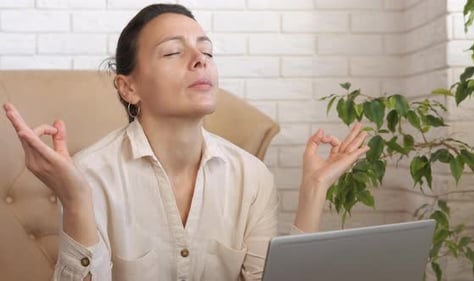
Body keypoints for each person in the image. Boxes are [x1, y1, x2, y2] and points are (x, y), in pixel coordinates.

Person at [3, 3, 369, 281]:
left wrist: (314, 189)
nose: (200, 61)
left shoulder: (252, 177)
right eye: (173, 52)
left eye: (207, 51)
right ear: (128, 87)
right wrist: (76, 198)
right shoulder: (88, 175)